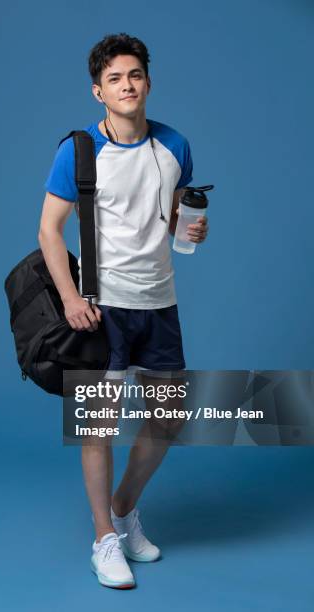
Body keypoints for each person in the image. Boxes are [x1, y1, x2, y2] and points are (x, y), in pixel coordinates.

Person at [38, 33, 209, 589]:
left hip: (161, 301)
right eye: (115, 78)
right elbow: (48, 230)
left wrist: (194, 230)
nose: (127, 85)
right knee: (99, 426)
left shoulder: (175, 145)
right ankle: (102, 540)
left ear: (148, 82)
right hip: (101, 306)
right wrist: (69, 297)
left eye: (134, 75)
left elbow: (170, 219)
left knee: (166, 419)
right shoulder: (80, 150)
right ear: (99, 91)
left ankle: (123, 509)